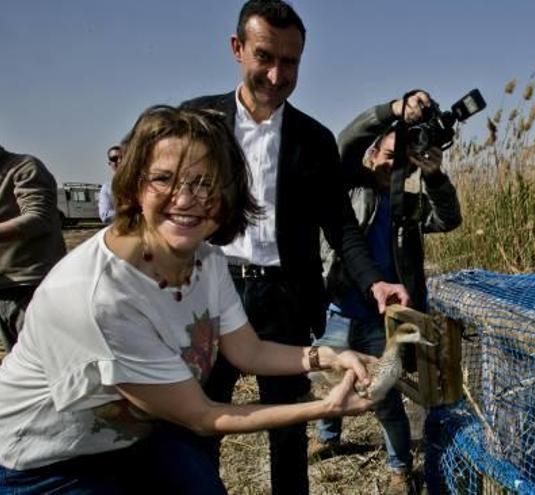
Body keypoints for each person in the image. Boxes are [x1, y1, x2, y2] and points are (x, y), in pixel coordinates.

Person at [0, 105, 376, 494]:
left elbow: (249, 351)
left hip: (140, 432)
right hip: (47, 461)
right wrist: (327, 408)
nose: (186, 198)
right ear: (133, 185)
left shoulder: (207, 260)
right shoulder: (99, 297)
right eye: (164, 179)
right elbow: (203, 416)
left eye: (205, 183)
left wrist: (327, 356)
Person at [181, 1, 409, 492]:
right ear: (237, 49)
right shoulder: (196, 122)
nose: (277, 74)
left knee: (286, 423)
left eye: (291, 62)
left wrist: (376, 282)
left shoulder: (314, 139)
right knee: (201, 420)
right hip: (206, 289)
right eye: (265, 57)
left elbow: (341, 225)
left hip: (283, 298)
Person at [311, 91, 462, 492]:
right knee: (329, 376)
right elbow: (345, 144)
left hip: (384, 319)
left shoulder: (407, 207)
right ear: (372, 153)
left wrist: (434, 176)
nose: (391, 163)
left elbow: (449, 219)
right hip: (339, 308)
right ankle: (326, 438)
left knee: (386, 397)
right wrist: (391, 112)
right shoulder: (348, 191)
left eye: (402, 157)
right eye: (387, 153)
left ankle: (399, 468)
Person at [0, 145, 66, 352]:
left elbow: (39, 217)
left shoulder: (23, 168)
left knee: (47, 361)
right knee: (20, 365)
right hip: (4, 288)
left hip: (30, 285)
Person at [98, 145, 122, 224]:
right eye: (114, 159)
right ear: (109, 163)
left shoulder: (140, 182)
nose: (119, 161)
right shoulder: (107, 188)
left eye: (122, 157)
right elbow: (105, 215)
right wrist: (130, 212)